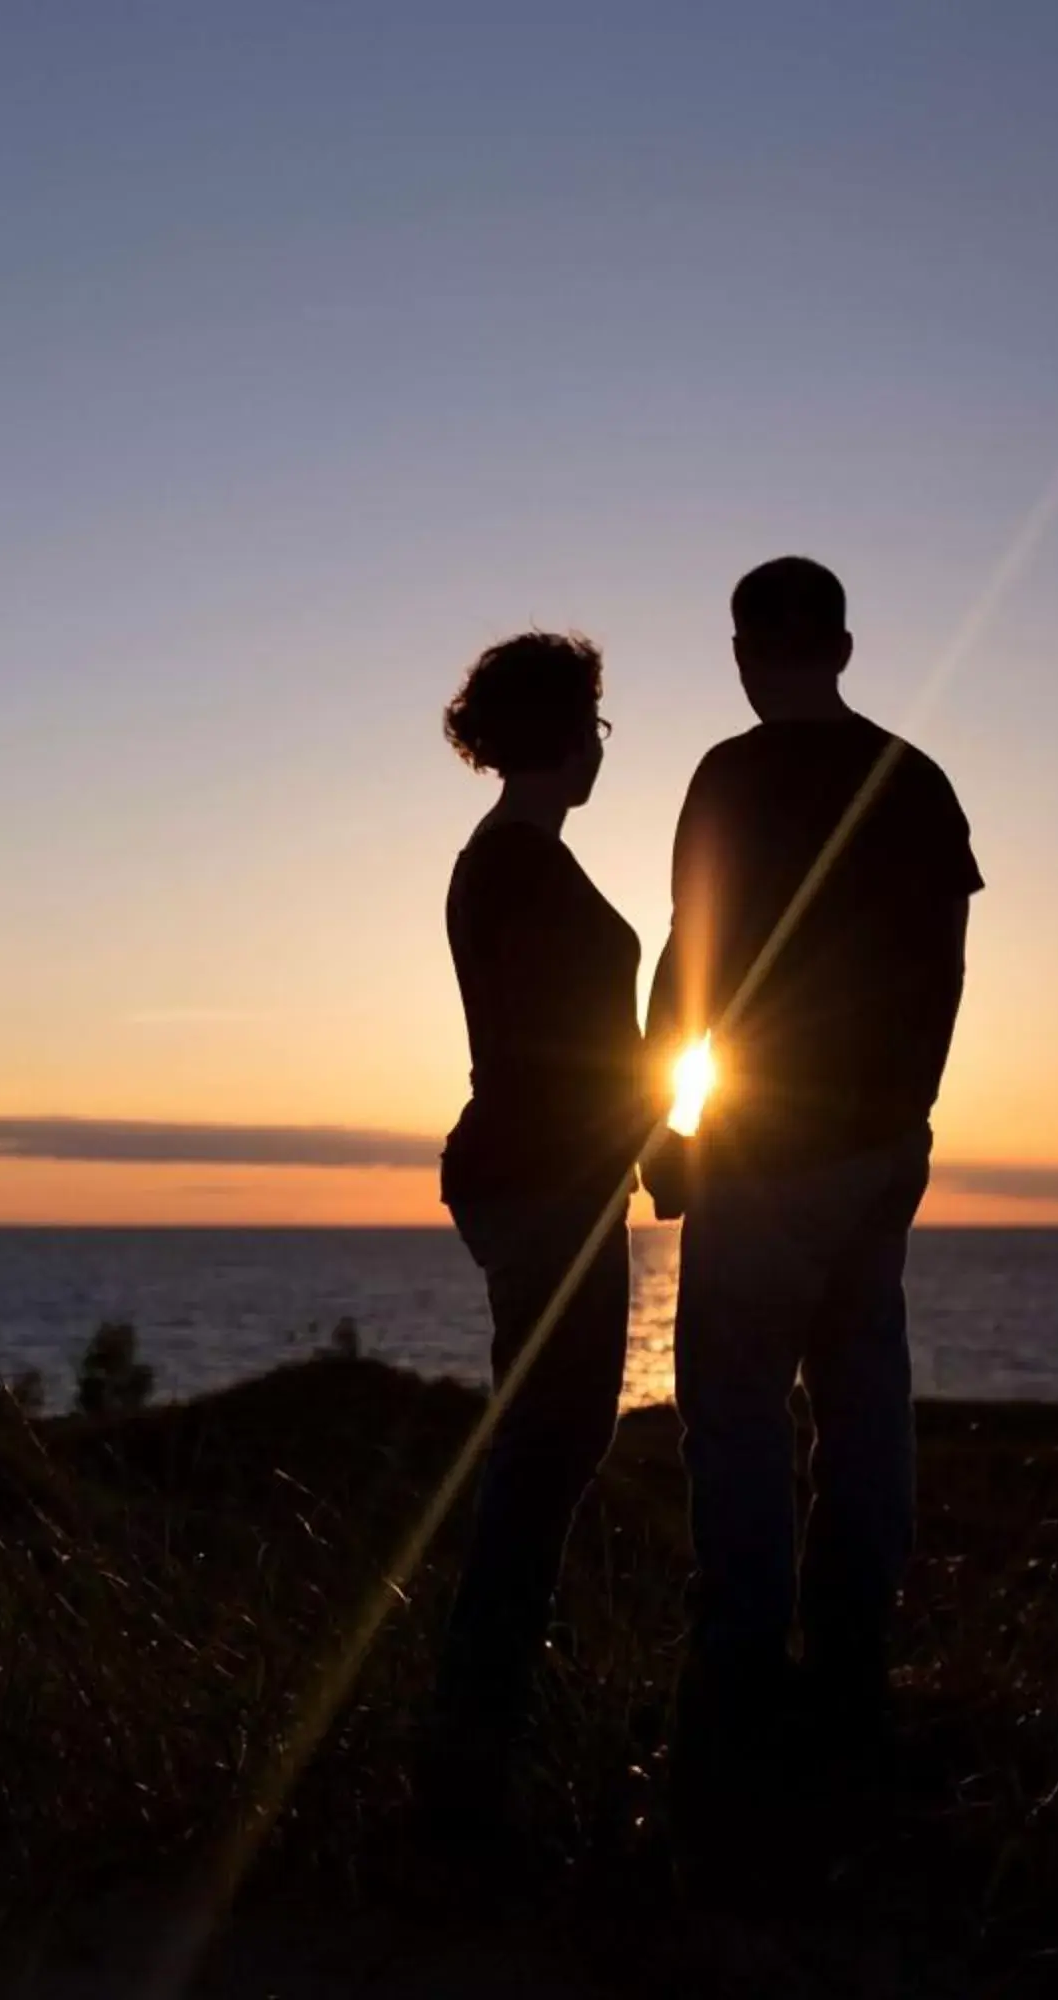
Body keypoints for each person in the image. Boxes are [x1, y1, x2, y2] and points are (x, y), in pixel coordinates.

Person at [645, 556, 981, 1822]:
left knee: (734, 1412)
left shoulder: (727, 779)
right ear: (842, 646)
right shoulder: (915, 781)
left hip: (765, 1148)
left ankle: (737, 1690)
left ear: (741, 654)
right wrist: (907, 1122)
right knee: (861, 1402)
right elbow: (946, 974)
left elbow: (691, 960)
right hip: (879, 1146)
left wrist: (665, 1120)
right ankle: (850, 1681)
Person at [425, 629, 657, 1837]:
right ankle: (471, 1763)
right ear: (570, 737)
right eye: (598, 728)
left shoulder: (513, 860)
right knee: (545, 1451)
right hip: (543, 1181)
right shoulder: (517, 867)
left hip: (547, 1175)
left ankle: (486, 1733)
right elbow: (556, 1052)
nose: (599, 749)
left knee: (553, 1446)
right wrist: (650, 1129)